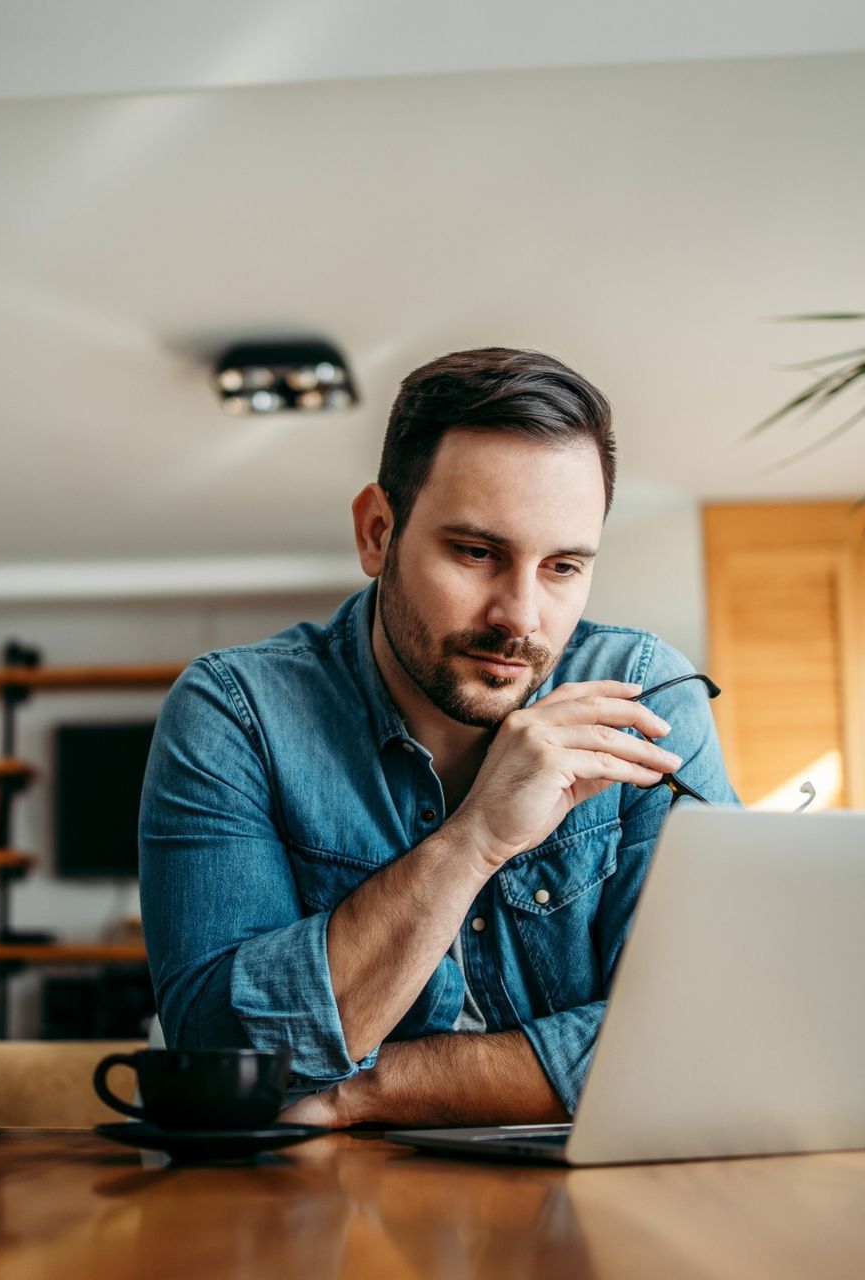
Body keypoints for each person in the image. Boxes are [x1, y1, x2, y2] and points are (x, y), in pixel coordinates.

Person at [138, 347, 737, 1127]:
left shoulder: (647, 695)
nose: (520, 619)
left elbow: (711, 1033)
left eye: (562, 568)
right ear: (378, 532)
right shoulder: (237, 713)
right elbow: (223, 1059)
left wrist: (364, 1089)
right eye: (478, 553)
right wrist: (476, 838)